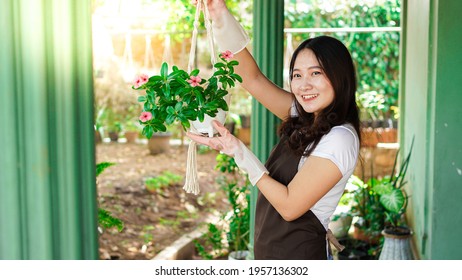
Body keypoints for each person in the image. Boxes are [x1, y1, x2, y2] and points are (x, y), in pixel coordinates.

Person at [188, 0, 361, 260]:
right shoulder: (304, 116)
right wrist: (219, 15)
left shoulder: (340, 138)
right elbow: (251, 78)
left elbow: (290, 206)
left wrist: (240, 153)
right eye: (297, 75)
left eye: (316, 73)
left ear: (340, 76)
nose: (304, 85)